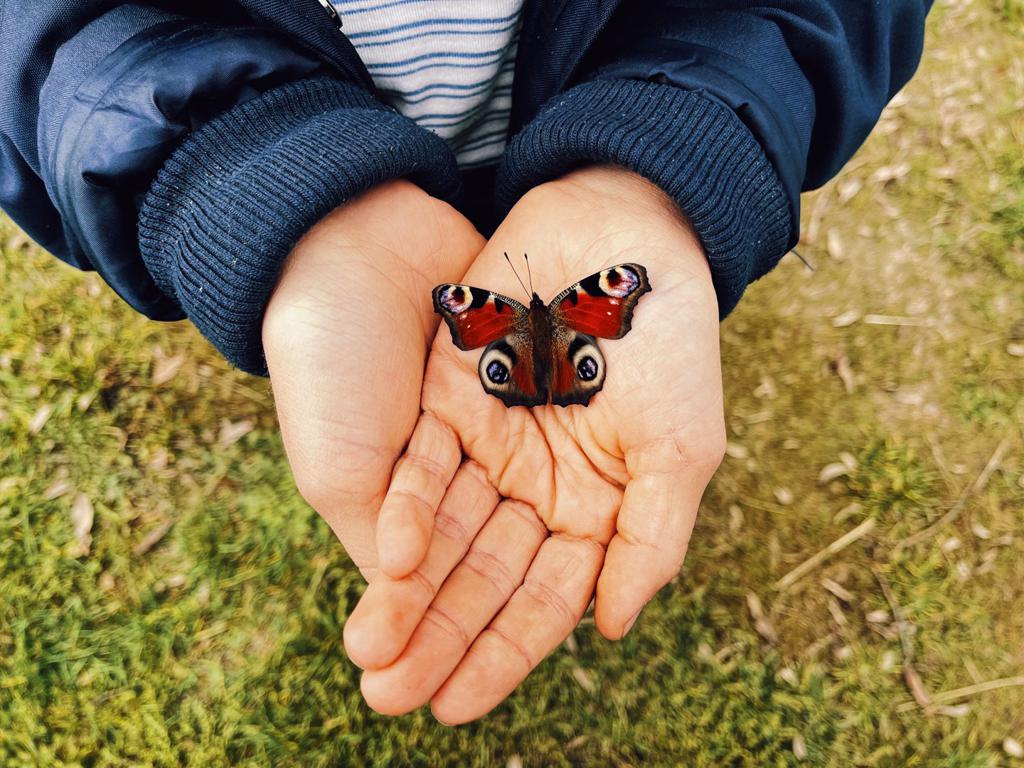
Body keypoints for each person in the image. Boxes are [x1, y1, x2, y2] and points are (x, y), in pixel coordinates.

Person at [0, 0, 933, 725]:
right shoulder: (570, 312)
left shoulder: (500, 318)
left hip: (583, 115)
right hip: (335, 147)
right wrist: (244, 178)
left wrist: (663, 158)